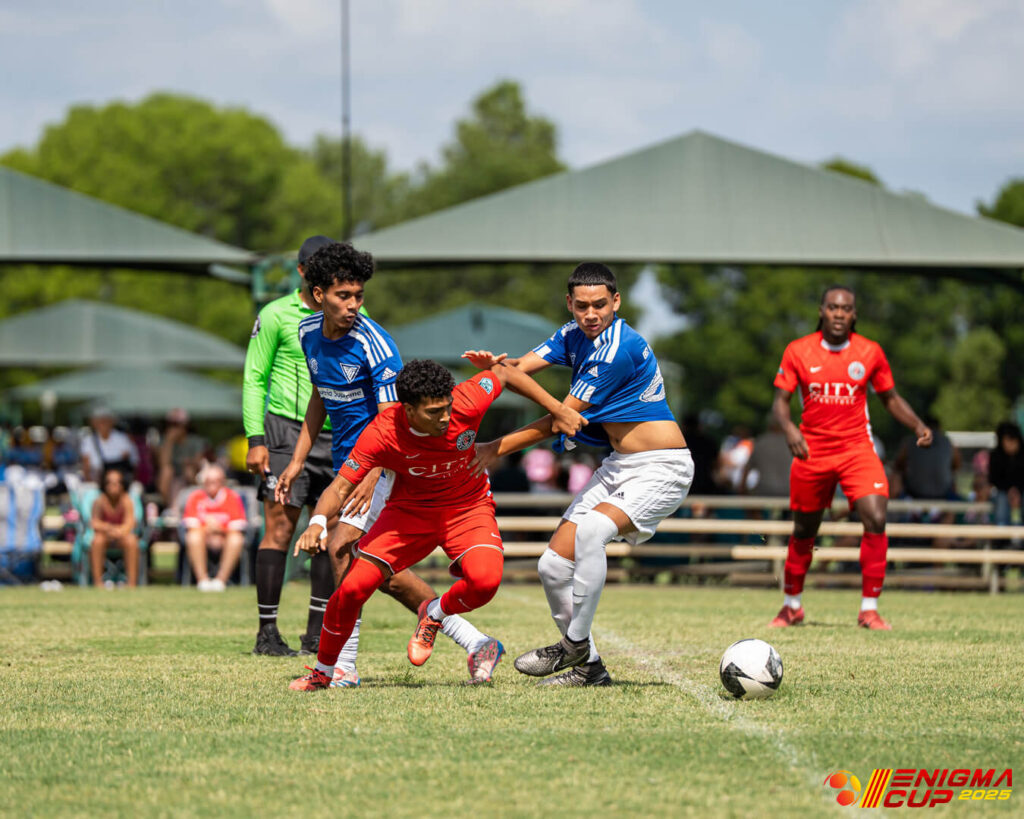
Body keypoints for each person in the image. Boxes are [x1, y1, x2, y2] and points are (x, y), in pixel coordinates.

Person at [276, 242, 506, 687]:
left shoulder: (375, 343)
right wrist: (297, 458)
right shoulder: (307, 333)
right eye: (344, 296)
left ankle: (342, 668)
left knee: (341, 548)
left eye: (359, 296)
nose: (353, 305)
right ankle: (475, 640)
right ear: (318, 295)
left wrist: (373, 477)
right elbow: (320, 395)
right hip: (350, 462)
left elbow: (394, 423)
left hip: (383, 467)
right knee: (379, 573)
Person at [286, 358, 584, 691]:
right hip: (409, 514)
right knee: (352, 589)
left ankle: (434, 613)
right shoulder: (383, 432)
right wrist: (316, 522)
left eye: (447, 407)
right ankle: (323, 672)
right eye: (433, 412)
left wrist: (558, 409)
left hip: (468, 507)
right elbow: (341, 486)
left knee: (485, 582)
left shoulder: (467, 401)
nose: (445, 417)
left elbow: (504, 371)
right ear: (408, 410)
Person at [471, 263, 694, 687]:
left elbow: (561, 418)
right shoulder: (571, 334)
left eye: (600, 305)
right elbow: (520, 369)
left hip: (663, 467)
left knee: (592, 531)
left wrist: (493, 448)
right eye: (582, 306)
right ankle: (590, 668)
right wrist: (496, 369)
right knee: (553, 566)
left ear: (616, 302)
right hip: (619, 465)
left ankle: (573, 643)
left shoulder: (616, 350)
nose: (591, 314)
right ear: (569, 304)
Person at [769, 285, 932, 631]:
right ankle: (791, 606)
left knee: (876, 516)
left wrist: (917, 425)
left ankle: (869, 610)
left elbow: (890, 398)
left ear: (854, 314)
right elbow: (780, 402)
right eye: (833, 307)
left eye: (845, 308)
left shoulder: (870, 351)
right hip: (812, 450)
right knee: (804, 530)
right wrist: (790, 430)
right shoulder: (798, 350)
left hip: (857, 449)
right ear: (822, 311)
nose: (839, 314)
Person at [243, 235, 347, 656]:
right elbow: (254, 377)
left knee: (327, 530)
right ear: (302, 272)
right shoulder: (275, 314)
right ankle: (267, 633)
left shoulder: (351, 311)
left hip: (336, 433)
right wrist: (255, 439)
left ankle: (316, 635)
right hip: (285, 429)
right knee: (281, 528)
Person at [182, 463, 247, 592]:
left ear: (222, 482)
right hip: (203, 538)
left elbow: (237, 526)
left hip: (225, 538)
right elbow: (191, 524)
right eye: (208, 481)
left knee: (236, 538)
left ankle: (220, 580)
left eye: (215, 481)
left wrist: (219, 529)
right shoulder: (195, 497)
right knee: (193, 536)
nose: (211, 484)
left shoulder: (232, 497)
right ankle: (202, 580)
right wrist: (208, 529)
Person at [89, 467, 139, 587]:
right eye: (110, 483)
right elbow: (94, 522)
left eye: (116, 483)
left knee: (132, 541)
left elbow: (130, 522)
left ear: (122, 485)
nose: (113, 486)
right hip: (105, 536)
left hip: (122, 536)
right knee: (97, 541)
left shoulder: (126, 501)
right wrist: (109, 529)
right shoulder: (100, 501)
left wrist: (119, 531)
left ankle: (132, 583)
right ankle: (98, 583)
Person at [157, 408, 206, 509]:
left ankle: (193, 503)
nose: (173, 428)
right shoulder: (164, 441)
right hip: (172, 476)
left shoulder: (195, 441)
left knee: (189, 471)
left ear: (185, 425)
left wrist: (187, 462)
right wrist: (169, 442)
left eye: (177, 424)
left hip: (191, 473)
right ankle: (169, 507)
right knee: (166, 471)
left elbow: (198, 461)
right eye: (171, 424)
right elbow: (163, 463)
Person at [79, 407, 138, 484]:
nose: (102, 424)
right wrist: (90, 482)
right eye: (99, 421)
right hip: (98, 481)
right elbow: (86, 465)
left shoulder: (122, 439)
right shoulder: (88, 441)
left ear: (112, 422)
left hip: (120, 482)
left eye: (105, 420)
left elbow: (131, 462)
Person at [988, 421, 1024, 527]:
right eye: (1007, 441)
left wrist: (1017, 490)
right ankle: (1002, 531)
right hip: (1003, 492)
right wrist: (1010, 491)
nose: (1010, 445)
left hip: (1021, 491)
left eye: (1012, 440)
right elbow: (994, 479)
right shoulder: (996, 456)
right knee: (1001, 499)